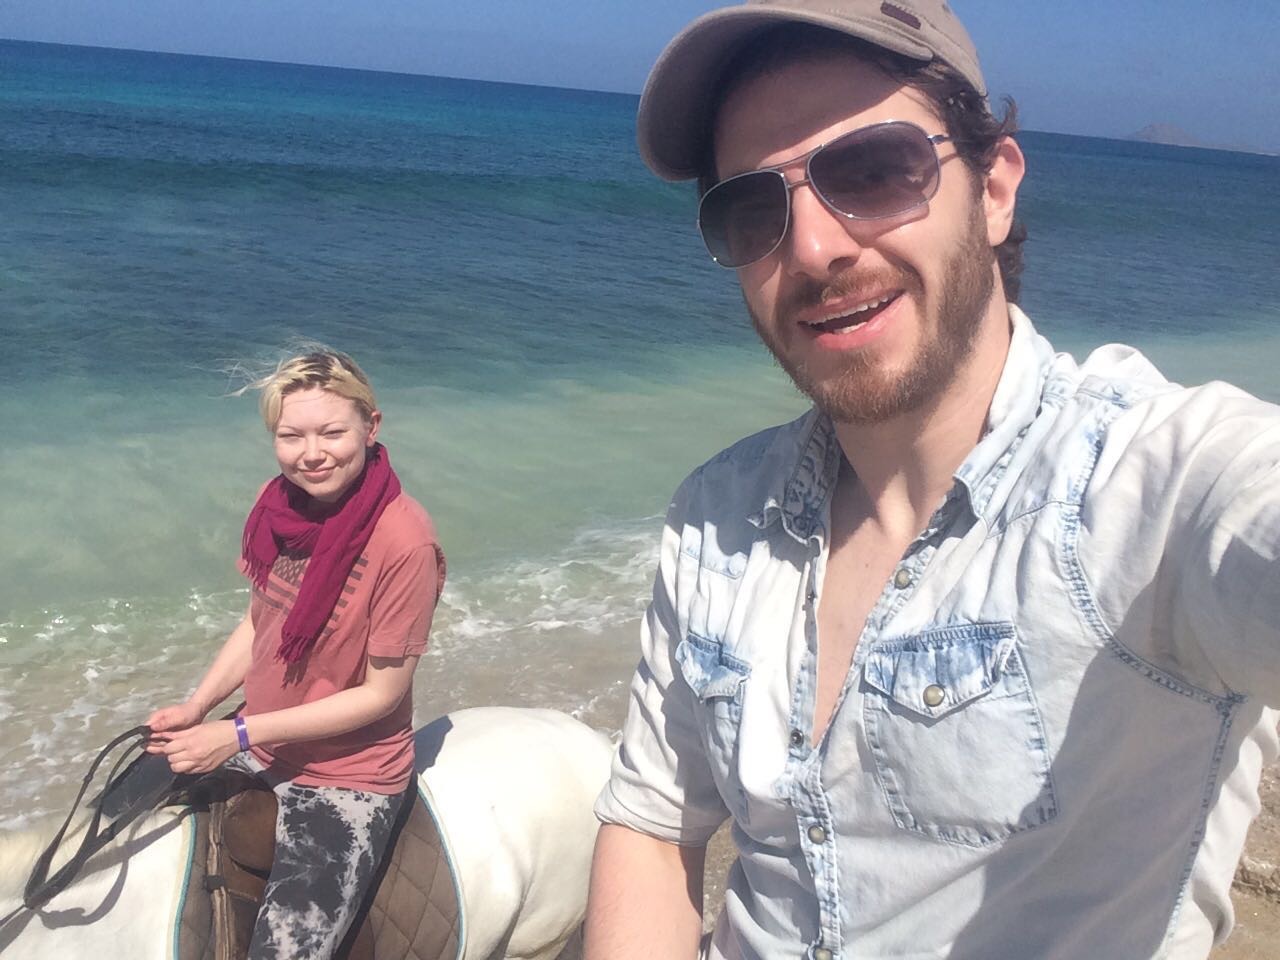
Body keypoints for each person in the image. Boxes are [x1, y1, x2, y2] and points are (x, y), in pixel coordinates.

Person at [584, 2, 1280, 959]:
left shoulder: (1144, 483)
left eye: (872, 170)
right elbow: (655, 824)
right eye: (753, 208)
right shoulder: (716, 516)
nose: (817, 249)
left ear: (993, 190)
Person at [145, 348, 445, 960]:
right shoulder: (278, 504)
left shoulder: (405, 541)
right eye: (292, 436)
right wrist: (199, 705)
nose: (312, 453)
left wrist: (239, 735)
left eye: (332, 432)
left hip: (348, 776)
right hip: (261, 736)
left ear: (372, 426)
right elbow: (261, 621)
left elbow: (380, 695)